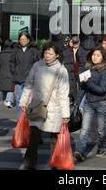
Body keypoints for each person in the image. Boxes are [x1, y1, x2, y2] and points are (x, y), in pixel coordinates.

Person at [19, 42, 70, 170]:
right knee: (34, 137)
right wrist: (23, 102)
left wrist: (65, 114)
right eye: (46, 53)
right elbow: (29, 84)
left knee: (54, 138)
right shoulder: (37, 66)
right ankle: (30, 164)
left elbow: (64, 94)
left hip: (55, 108)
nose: (47, 55)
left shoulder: (61, 70)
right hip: (37, 107)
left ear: (57, 55)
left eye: (50, 53)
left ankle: (54, 163)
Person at [74, 46, 106, 162]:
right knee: (84, 129)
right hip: (88, 103)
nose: (95, 57)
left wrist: (88, 82)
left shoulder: (104, 71)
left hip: (101, 103)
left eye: (98, 55)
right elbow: (82, 89)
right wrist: (76, 102)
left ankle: (102, 147)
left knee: (101, 129)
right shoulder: (88, 69)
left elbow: (101, 89)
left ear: (103, 57)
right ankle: (79, 151)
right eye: (94, 55)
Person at [9, 31, 40, 119]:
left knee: (29, 101)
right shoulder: (16, 49)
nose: (22, 41)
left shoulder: (34, 50)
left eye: (24, 39)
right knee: (19, 100)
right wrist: (14, 71)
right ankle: (20, 119)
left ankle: (28, 119)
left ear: (28, 40)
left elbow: (37, 63)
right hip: (18, 78)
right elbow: (12, 62)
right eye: (21, 39)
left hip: (29, 79)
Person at [52, 32, 78, 103]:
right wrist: (72, 92)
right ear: (63, 40)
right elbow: (69, 72)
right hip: (62, 86)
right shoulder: (66, 52)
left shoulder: (46, 51)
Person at [0, 39, 15, 108]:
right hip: (11, 73)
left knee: (4, 87)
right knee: (10, 88)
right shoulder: (14, 53)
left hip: (2, 73)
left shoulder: (1, 54)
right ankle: (9, 101)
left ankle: (4, 100)